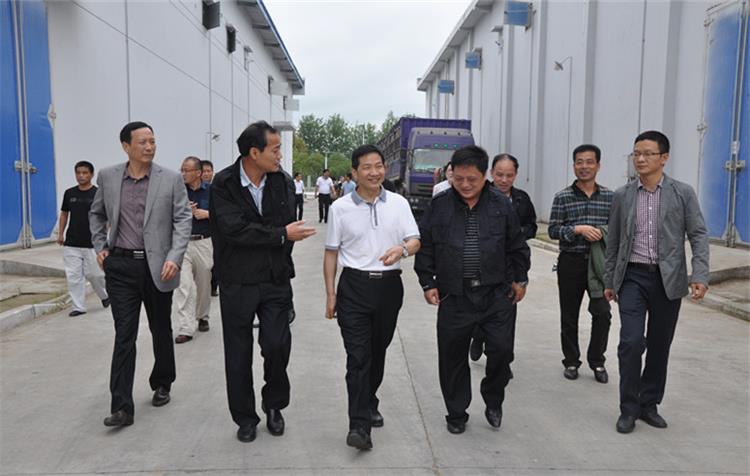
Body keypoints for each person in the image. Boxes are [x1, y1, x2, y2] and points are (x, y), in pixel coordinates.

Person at [210, 121, 316, 443]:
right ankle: (245, 417)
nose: (280, 155)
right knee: (238, 352)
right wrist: (280, 235)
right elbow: (235, 230)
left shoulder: (282, 181)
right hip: (237, 281)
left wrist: (281, 245)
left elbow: (287, 227)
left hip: (274, 279)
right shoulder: (224, 184)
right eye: (275, 149)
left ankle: (274, 404)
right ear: (254, 153)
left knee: (276, 344)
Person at [415, 145, 530, 435]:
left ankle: (493, 399)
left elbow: (517, 245)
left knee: (502, 351)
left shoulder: (501, 205)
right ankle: (456, 412)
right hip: (455, 295)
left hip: (496, 294)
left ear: (484, 176)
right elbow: (425, 247)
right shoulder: (440, 205)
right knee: (452, 357)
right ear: (451, 174)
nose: (465, 185)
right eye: (459, 179)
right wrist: (428, 282)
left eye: (472, 180)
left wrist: (520, 279)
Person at [604, 130, 709, 434]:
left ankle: (649, 404)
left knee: (660, 344)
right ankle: (628, 408)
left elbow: (698, 235)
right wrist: (610, 279)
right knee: (631, 342)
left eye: (648, 153)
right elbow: (614, 241)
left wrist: (699, 274)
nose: (640, 159)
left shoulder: (682, 193)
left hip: (668, 279)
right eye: (636, 153)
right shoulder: (623, 195)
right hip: (632, 277)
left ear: (664, 158)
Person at [89, 121, 191, 427]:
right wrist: (100, 246)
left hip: (158, 266)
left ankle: (162, 381)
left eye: (152, 141)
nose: (149, 147)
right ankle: (122, 407)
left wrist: (174, 257)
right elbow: (96, 213)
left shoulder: (170, 179)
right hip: (120, 266)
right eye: (143, 142)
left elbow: (183, 219)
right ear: (126, 146)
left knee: (160, 328)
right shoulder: (108, 177)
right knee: (125, 334)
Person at [324, 144, 420, 450]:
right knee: (358, 357)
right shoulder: (340, 208)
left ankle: (369, 400)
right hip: (354, 287)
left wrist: (402, 250)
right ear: (354, 172)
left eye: (378, 166)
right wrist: (330, 293)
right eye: (367, 167)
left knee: (377, 353)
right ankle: (359, 425)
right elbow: (331, 253)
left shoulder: (399, 203)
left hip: (389, 288)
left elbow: (415, 240)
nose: (374, 172)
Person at [548, 144, 613, 383]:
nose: (584, 167)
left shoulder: (610, 197)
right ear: (574, 165)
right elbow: (553, 230)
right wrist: (577, 229)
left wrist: (601, 232)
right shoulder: (562, 197)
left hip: (599, 265)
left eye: (589, 162)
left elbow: (617, 230)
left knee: (602, 313)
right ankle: (571, 361)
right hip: (571, 262)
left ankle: (597, 360)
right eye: (579, 162)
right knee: (569, 315)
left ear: (598, 165)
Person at [469, 153, 537, 361]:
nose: (504, 180)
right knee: (480, 308)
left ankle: (502, 360)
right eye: (499, 175)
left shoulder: (521, 199)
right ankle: (478, 336)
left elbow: (532, 226)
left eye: (509, 175)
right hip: (482, 265)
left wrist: (515, 234)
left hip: (510, 266)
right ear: (491, 173)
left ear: (515, 175)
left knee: (507, 311)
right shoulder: (478, 196)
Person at [57, 161, 109, 317]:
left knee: (95, 274)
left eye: (85, 173)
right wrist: (61, 233)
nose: (81, 176)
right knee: (73, 276)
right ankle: (78, 306)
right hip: (72, 242)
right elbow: (64, 213)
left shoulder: (98, 194)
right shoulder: (69, 193)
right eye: (78, 173)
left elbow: (107, 216)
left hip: (93, 243)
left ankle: (105, 295)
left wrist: (104, 235)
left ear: (91, 175)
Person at [173, 156, 213, 344]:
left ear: (198, 173)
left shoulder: (212, 191)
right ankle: (186, 327)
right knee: (184, 285)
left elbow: (224, 215)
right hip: (182, 244)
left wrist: (207, 214)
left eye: (186, 170)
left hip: (204, 242)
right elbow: (167, 214)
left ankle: (202, 316)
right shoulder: (178, 192)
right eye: (181, 170)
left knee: (204, 283)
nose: (183, 173)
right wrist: (183, 211)